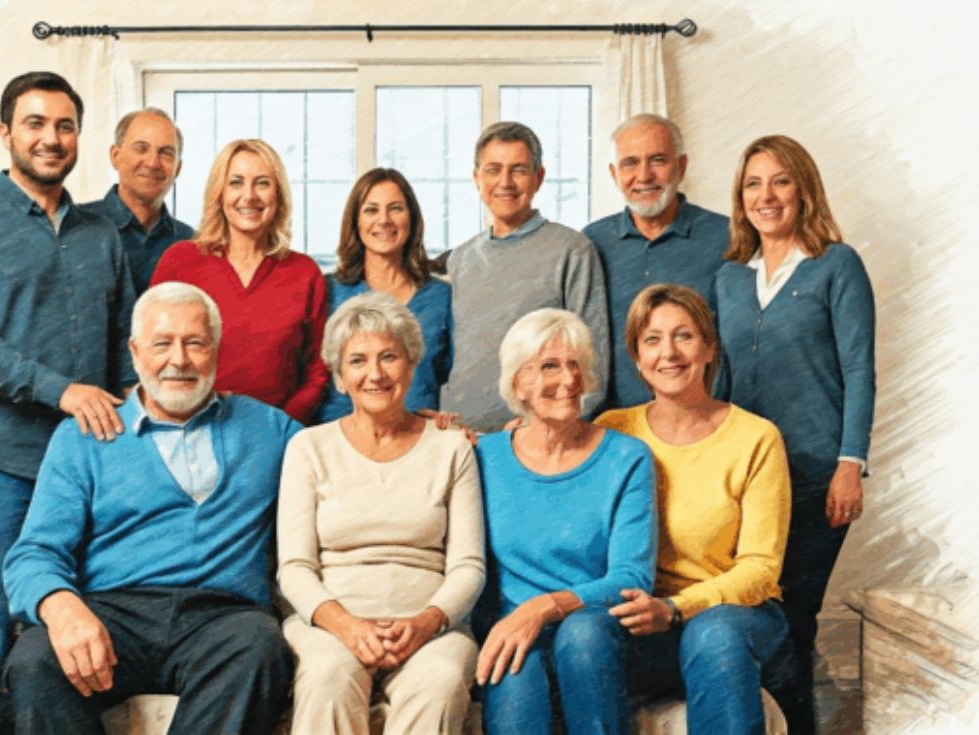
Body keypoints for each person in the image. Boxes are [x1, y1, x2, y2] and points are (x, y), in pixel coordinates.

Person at [0, 71, 136, 734]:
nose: (51, 137)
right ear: (5, 133)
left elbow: (125, 350)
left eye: (65, 125)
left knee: (66, 643)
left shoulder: (102, 234)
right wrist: (61, 391)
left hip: (84, 471)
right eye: (36, 123)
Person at [3, 283, 298, 735]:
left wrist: (419, 424)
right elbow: (34, 551)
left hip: (222, 619)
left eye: (194, 343)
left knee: (260, 647)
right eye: (162, 343)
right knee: (34, 660)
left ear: (216, 350)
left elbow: (347, 449)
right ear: (136, 352)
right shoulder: (84, 434)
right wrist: (61, 607)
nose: (178, 359)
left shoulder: (270, 428)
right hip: (113, 613)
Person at [715, 135, 876, 733]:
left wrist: (849, 464)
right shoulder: (730, 278)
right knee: (754, 611)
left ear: (803, 188)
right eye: (753, 184)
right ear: (740, 198)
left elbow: (860, 368)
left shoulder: (837, 264)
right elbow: (723, 382)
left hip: (815, 474)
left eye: (780, 181)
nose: (766, 195)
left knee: (794, 617)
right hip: (748, 477)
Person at [277, 291, 484, 734]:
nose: (375, 374)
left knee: (440, 682)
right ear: (338, 377)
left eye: (389, 357)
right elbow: (294, 567)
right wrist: (347, 626)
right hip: (330, 626)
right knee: (328, 677)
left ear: (411, 366)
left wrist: (426, 622)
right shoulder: (308, 448)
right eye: (357, 361)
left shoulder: (451, 447)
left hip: (431, 624)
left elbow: (468, 566)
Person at [598, 284, 792, 734]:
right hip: (644, 620)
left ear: (708, 348)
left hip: (736, 613)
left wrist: (676, 608)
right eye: (652, 339)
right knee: (584, 638)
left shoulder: (756, 438)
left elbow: (761, 569)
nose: (669, 352)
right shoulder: (612, 430)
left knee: (714, 634)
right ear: (637, 358)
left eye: (684, 336)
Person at [474, 308, 656, 734]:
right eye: (550, 366)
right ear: (518, 382)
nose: (570, 379)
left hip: (596, 633)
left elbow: (632, 578)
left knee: (582, 636)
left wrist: (544, 607)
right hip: (514, 631)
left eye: (575, 364)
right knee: (514, 674)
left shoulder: (626, 458)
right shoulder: (485, 458)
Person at [443, 121, 609, 431]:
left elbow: (592, 363)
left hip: (538, 441)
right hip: (461, 440)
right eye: (493, 170)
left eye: (518, 170)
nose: (505, 182)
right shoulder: (460, 259)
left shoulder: (572, 251)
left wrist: (541, 430)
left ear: (539, 178)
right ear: (476, 177)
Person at [150, 138, 329, 423]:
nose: (249, 196)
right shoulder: (180, 262)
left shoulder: (304, 273)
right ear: (219, 193)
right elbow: (152, 348)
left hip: (278, 437)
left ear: (278, 195)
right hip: (189, 428)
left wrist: (279, 426)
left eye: (262, 183)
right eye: (236, 182)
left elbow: (319, 369)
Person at [583, 113, 730, 411]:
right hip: (613, 426)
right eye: (630, 163)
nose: (644, 175)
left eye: (658, 160)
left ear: (682, 166)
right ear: (614, 174)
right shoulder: (590, 243)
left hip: (702, 425)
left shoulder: (727, 238)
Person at [316, 168, 452, 423]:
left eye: (396, 208)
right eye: (371, 210)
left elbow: (451, 375)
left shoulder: (441, 297)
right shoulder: (328, 292)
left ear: (411, 218)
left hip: (415, 440)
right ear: (355, 221)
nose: (384, 220)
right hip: (339, 439)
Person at [82, 107, 195, 298]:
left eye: (166, 153)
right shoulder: (77, 227)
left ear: (178, 168)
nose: (152, 163)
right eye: (141, 148)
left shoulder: (191, 243)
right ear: (115, 156)